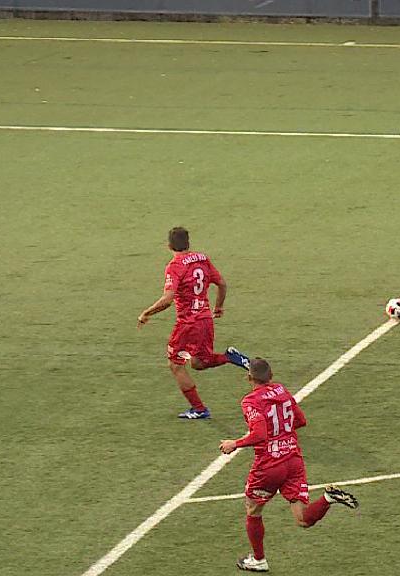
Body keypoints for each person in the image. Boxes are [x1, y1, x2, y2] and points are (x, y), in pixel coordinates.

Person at [220, 357, 358, 572]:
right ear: (271, 376)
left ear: (248, 377)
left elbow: (260, 434)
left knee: (253, 510)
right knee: (303, 519)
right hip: (293, 459)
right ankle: (328, 498)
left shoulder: (250, 401)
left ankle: (258, 559)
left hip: (269, 464)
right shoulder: (282, 391)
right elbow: (301, 420)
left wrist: (234, 444)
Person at [137, 227, 250, 419]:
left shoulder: (175, 265)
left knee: (175, 364)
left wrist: (146, 313)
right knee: (198, 362)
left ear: (169, 246)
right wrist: (219, 307)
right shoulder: (202, 259)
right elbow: (222, 283)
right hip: (205, 319)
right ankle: (230, 357)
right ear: (188, 243)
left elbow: (168, 299)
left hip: (188, 323)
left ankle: (199, 409)